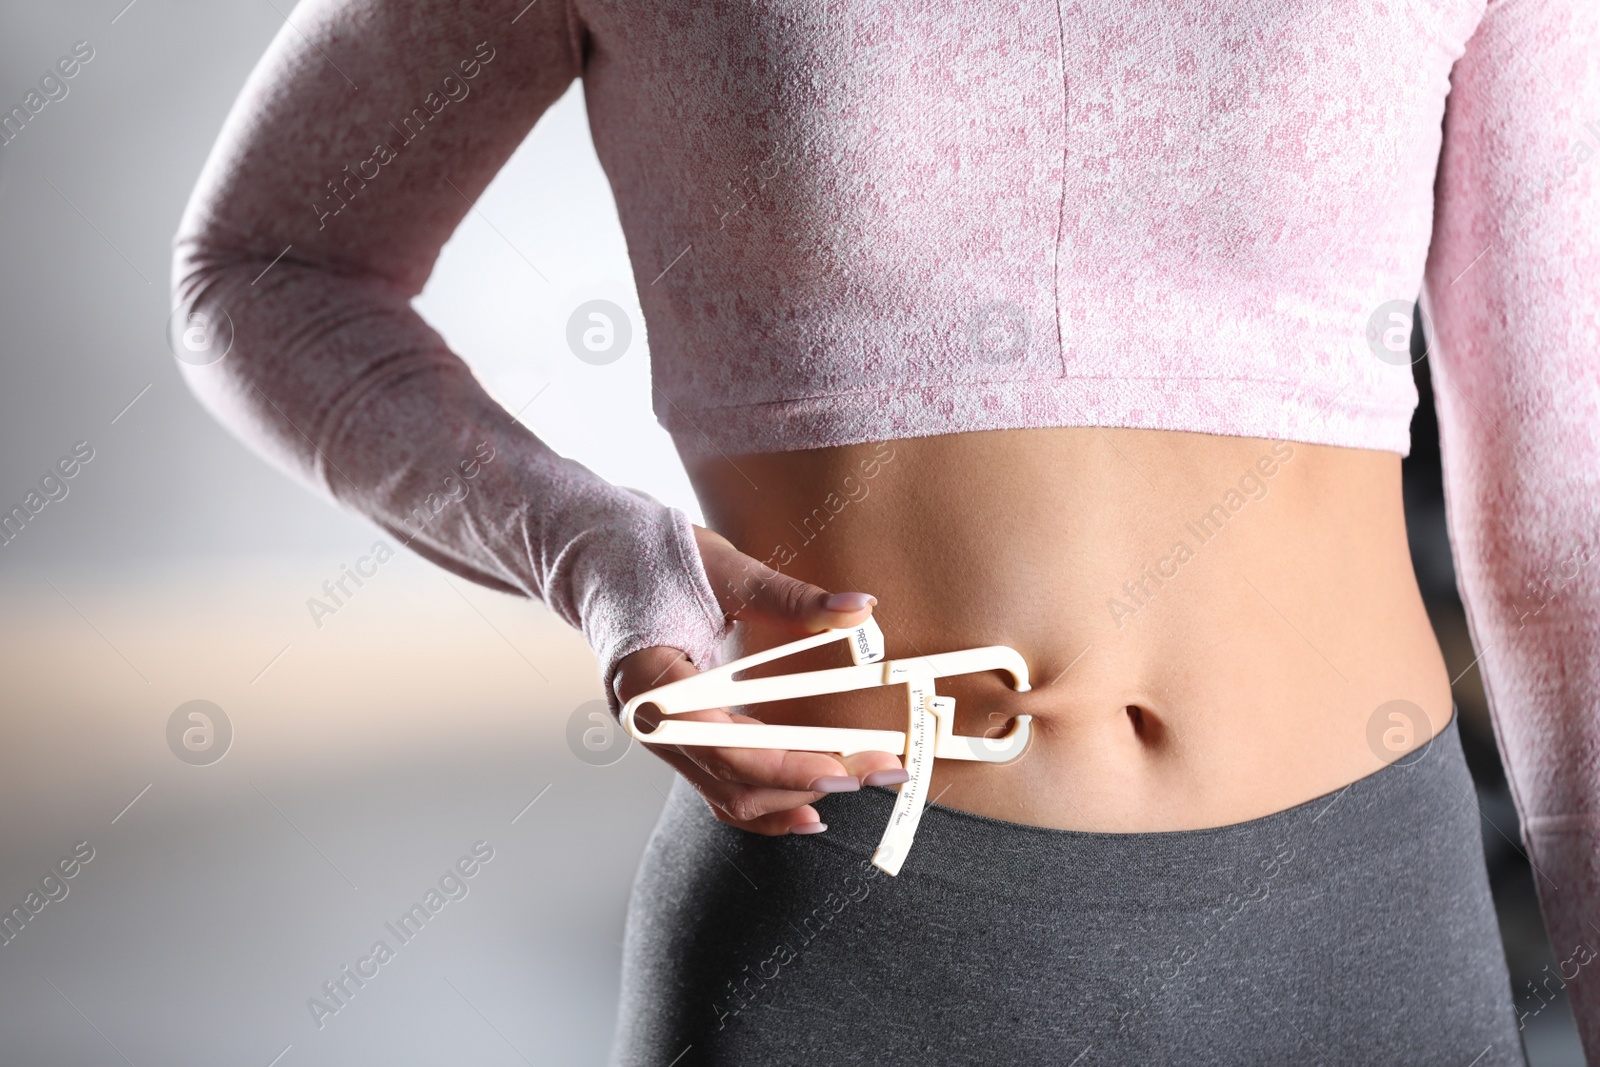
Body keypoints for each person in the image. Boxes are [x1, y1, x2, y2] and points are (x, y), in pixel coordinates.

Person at [173, 1, 1599, 1063]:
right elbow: (265, 271)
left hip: (1359, 947)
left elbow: (1568, 526)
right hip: (860, 946)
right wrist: (601, 560)